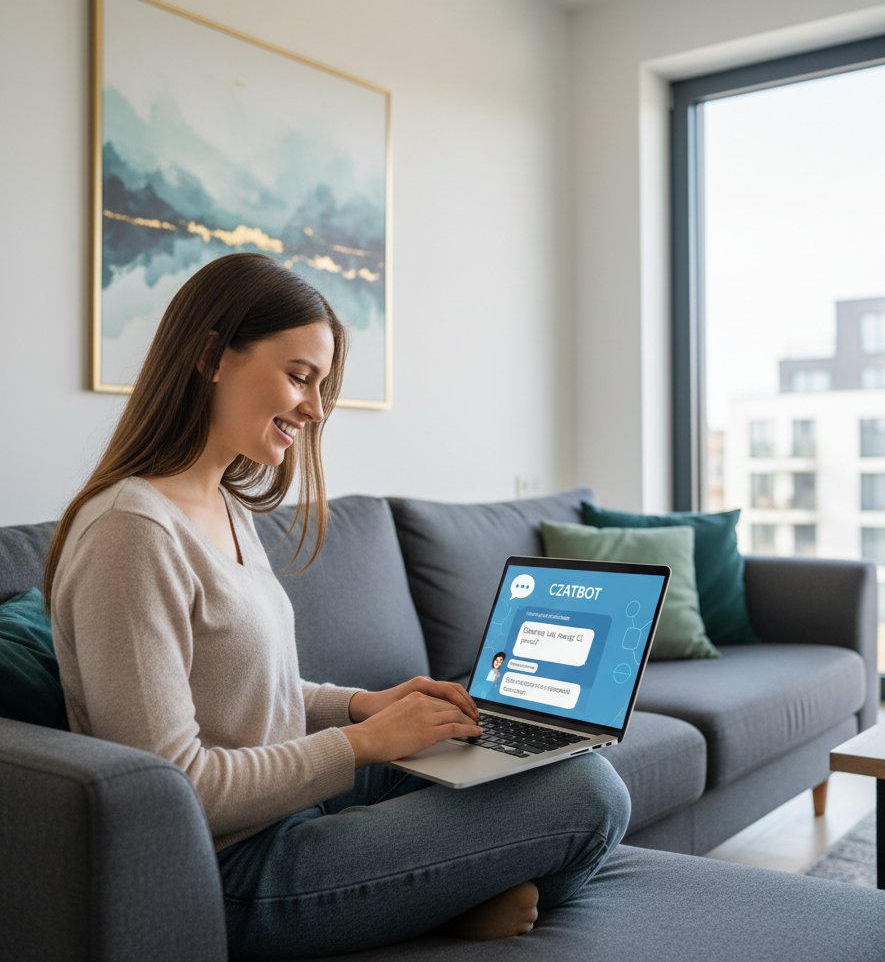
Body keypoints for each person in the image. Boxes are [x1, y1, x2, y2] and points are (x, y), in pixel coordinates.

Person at [44, 253, 630, 958]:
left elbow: (238, 692)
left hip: (294, 800)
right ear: (211, 355)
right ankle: (443, 901)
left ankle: (430, 898)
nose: (315, 409)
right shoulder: (131, 533)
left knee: (539, 755)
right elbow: (176, 789)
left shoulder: (224, 506)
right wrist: (363, 745)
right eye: (299, 377)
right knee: (588, 797)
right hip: (234, 869)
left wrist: (366, 706)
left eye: (320, 386)